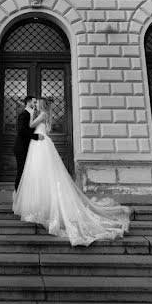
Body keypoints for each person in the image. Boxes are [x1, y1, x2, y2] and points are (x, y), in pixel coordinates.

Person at [13, 98, 131, 246]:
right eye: (34, 103)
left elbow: (30, 126)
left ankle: (41, 205)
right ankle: (41, 204)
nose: (35, 105)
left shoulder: (41, 115)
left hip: (40, 145)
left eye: (37, 103)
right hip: (41, 144)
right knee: (41, 174)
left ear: (41, 105)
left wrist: (31, 115)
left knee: (40, 173)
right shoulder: (45, 115)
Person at [13, 95, 38, 190]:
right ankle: (17, 194)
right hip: (21, 147)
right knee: (21, 170)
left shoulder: (31, 114)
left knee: (26, 171)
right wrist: (36, 136)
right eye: (34, 102)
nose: (36, 104)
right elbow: (21, 131)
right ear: (28, 103)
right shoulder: (24, 114)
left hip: (27, 147)